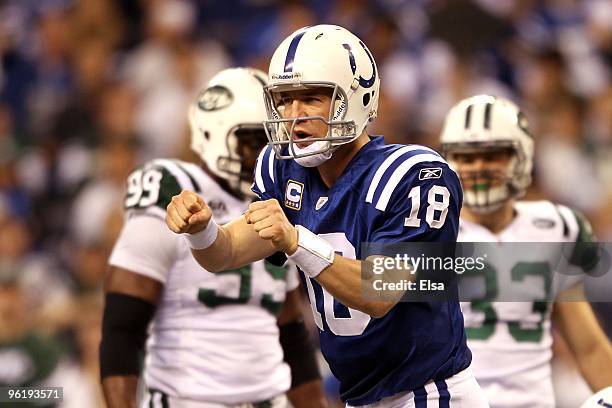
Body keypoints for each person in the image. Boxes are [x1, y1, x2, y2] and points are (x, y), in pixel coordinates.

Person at [166, 25, 488, 407]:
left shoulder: (413, 173)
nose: (294, 115)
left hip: (431, 394)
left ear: (354, 98)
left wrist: (297, 242)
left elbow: (383, 290)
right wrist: (202, 231)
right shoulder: (282, 168)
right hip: (360, 397)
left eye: (311, 99)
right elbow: (227, 253)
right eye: (285, 100)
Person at [100, 67, 325, 408]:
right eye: (253, 141)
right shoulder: (173, 192)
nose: (266, 154)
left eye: (272, 140)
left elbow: (291, 333)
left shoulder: (283, 199)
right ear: (214, 133)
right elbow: (122, 326)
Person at [439, 94, 612, 408]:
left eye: (493, 156)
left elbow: (587, 347)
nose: (478, 167)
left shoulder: (555, 227)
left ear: (522, 157)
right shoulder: (428, 233)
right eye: (466, 157)